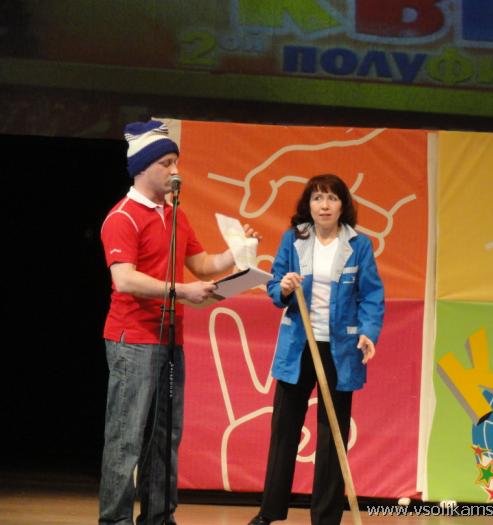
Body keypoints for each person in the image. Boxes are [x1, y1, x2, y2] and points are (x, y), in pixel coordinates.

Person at [99, 120, 259, 525]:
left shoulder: (175, 215)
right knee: (126, 436)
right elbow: (125, 279)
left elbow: (201, 264)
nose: (175, 171)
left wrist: (235, 254)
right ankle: (115, 519)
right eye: (166, 163)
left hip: (171, 338)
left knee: (165, 435)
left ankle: (159, 516)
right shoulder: (123, 217)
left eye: (176, 162)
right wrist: (182, 291)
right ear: (142, 167)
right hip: (133, 340)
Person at [248, 174, 385, 525]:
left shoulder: (359, 245)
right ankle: (269, 512)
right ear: (307, 204)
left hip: (340, 349)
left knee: (331, 436)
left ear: (343, 205)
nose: (324, 205)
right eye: (317, 198)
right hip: (299, 345)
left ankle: (325, 518)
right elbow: (274, 285)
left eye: (332, 198)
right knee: (284, 430)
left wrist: (368, 333)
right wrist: (283, 286)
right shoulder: (294, 239)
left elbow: (371, 295)